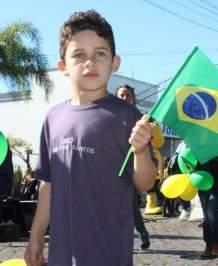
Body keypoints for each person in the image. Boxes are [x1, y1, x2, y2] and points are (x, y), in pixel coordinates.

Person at [24, 10, 156, 266]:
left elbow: (145, 183)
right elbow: (47, 185)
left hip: (109, 253)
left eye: (100, 53)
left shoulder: (128, 116)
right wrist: (36, 236)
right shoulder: (53, 118)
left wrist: (140, 151)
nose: (90, 62)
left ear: (114, 62)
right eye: (79, 55)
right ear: (63, 66)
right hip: (61, 254)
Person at [115, 84, 150, 250]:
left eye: (127, 95)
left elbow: (147, 148)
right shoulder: (109, 117)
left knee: (131, 207)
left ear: (133, 99)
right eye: (121, 95)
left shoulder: (139, 119)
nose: (124, 98)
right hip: (109, 170)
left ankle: (142, 234)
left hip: (131, 171)